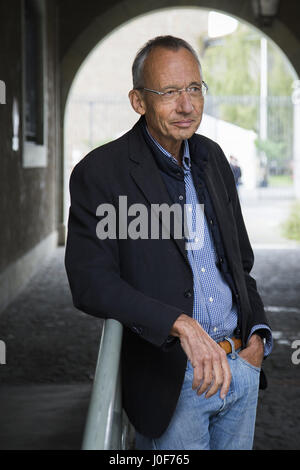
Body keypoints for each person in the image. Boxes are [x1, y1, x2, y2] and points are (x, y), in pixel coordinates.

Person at [65, 35, 272, 450]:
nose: (186, 105)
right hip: (174, 382)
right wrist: (178, 323)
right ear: (138, 101)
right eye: (170, 92)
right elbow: (91, 283)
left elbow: (239, 262)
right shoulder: (102, 173)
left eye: (194, 88)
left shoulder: (213, 158)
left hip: (239, 368)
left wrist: (257, 337)